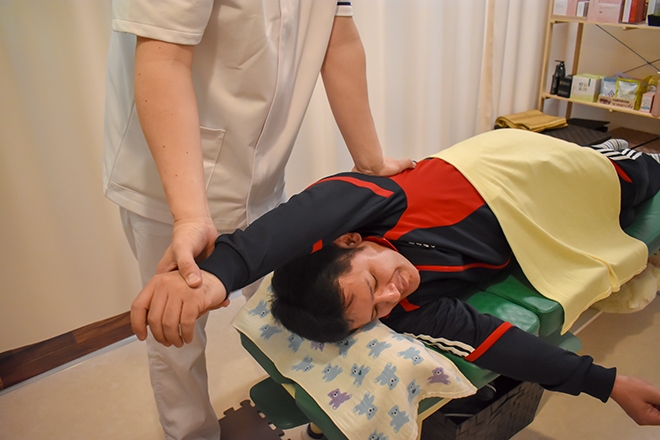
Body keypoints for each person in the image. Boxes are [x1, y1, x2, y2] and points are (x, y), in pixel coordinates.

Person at [131, 132, 660, 427]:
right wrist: (610, 386)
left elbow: (306, 214)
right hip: (548, 221)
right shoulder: (409, 309)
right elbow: (496, 343)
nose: (393, 293)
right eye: (378, 309)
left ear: (350, 241)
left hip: (517, 167)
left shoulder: (383, 205)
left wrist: (216, 274)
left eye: (372, 284)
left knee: (638, 176)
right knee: (612, 216)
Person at [103, 2, 413, 439]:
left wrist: (370, 161)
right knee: (178, 330)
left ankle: (325, 412)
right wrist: (189, 214)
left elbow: (338, 38)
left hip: (263, 175)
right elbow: (163, 56)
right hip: (169, 181)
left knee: (306, 302)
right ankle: (190, 434)